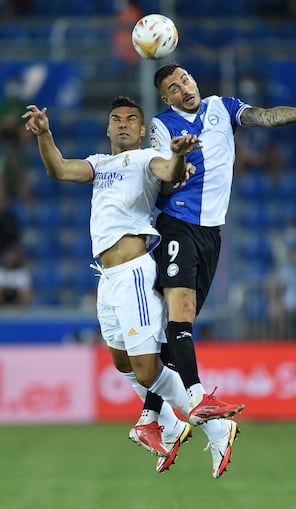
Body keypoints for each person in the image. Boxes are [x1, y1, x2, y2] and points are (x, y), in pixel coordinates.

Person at [135, 62, 296, 465]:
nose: (183, 89)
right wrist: (180, 162)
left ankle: (153, 416)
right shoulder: (163, 126)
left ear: (194, 80)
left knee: (177, 328)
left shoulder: (221, 107)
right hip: (176, 223)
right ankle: (198, 400)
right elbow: (162, 175)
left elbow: (262, 117)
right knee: (178, 318)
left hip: (211, 234)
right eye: (173, 87)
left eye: (185, 80)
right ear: (165, 97)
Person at [22, 96, 242, 479]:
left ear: (142, 130)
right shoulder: (99, 163)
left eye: (131, 119)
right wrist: (44, 134)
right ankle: (172, 427)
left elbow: (168, 170)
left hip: (134, 272)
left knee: (145, 370)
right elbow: (57, 168)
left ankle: (217, 427)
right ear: (108, 128)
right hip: (106, 277)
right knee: (122, 364)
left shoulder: (144, 159)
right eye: (116, 119)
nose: (123, 124)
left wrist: (175, 156)